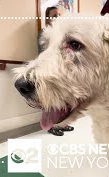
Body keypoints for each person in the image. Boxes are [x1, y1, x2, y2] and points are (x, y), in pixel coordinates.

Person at [37, 7, 74, 136]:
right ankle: (50, 126)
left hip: (61, 72)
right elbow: (42, 54)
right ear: (47, 18)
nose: (57, 18)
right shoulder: (44, 34)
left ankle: (61, 123)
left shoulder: (63, 35)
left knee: (62, 100)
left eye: (59, 15)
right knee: (49, 101)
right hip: (47, 71)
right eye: (54, 15)